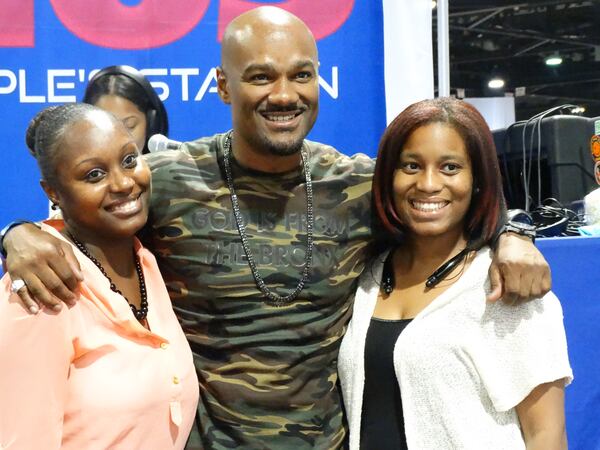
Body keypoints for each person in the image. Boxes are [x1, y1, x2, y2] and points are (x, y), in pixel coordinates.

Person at [1, 7, 551, 449]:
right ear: (222, 86)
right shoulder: (165, 180)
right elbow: (83, 215)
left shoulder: (360, 186)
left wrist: (515, 233)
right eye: (260, 76)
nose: (284, 94)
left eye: (300, 75)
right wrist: (15, 233)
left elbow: (446, 205)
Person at [338, 98, 572, 449]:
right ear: (389, 176)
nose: (428, 184)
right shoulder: (365, 276)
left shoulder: (510, 290)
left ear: (477, 179)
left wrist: (514, 234)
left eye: (450, 167)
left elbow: (546, 436)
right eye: (411, 165)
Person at [0, 104, 198, 448]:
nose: (123, 183)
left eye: (129, 160)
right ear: (53, 193)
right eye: (93, 175)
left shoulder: (149, 261)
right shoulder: (41, 289)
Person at [83, 65, 169, 154]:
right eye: (106, 129)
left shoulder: (174, 166)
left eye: (129, 126)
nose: (119, 140)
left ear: (151, 125)